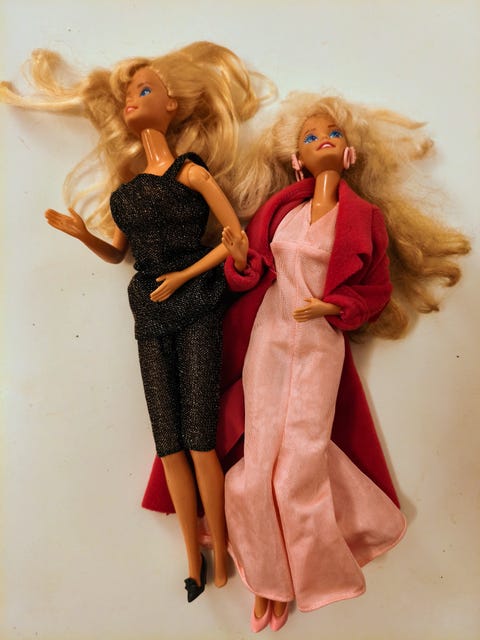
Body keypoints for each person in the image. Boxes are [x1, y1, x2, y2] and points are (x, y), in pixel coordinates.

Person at [0, 41, 272, 602]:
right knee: (168, 441)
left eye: (144, 90)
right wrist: (84, 235)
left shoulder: (191, 173)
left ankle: (221, 548)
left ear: (171, 105)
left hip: (196, 303)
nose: (132, 100)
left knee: (199, 438)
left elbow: (236, 242)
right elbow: (118, 254)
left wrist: (182, 276)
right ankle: (191, 559)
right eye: (128, 94)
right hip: (148, 309)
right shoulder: (125, 193)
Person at [219, 92, 470, 631]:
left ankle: (307, 574)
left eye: (332, 133)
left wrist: (334, 306)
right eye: (310, 137)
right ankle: (267, 576)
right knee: (258, 460)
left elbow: (375, 290)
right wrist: (239, 259)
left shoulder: (364, 218)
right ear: (297, 159)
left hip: (319, 344)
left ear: (350, 151)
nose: (323, 140)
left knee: (302, 462)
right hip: (268, 335)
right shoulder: (280, 209)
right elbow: (253, 270)